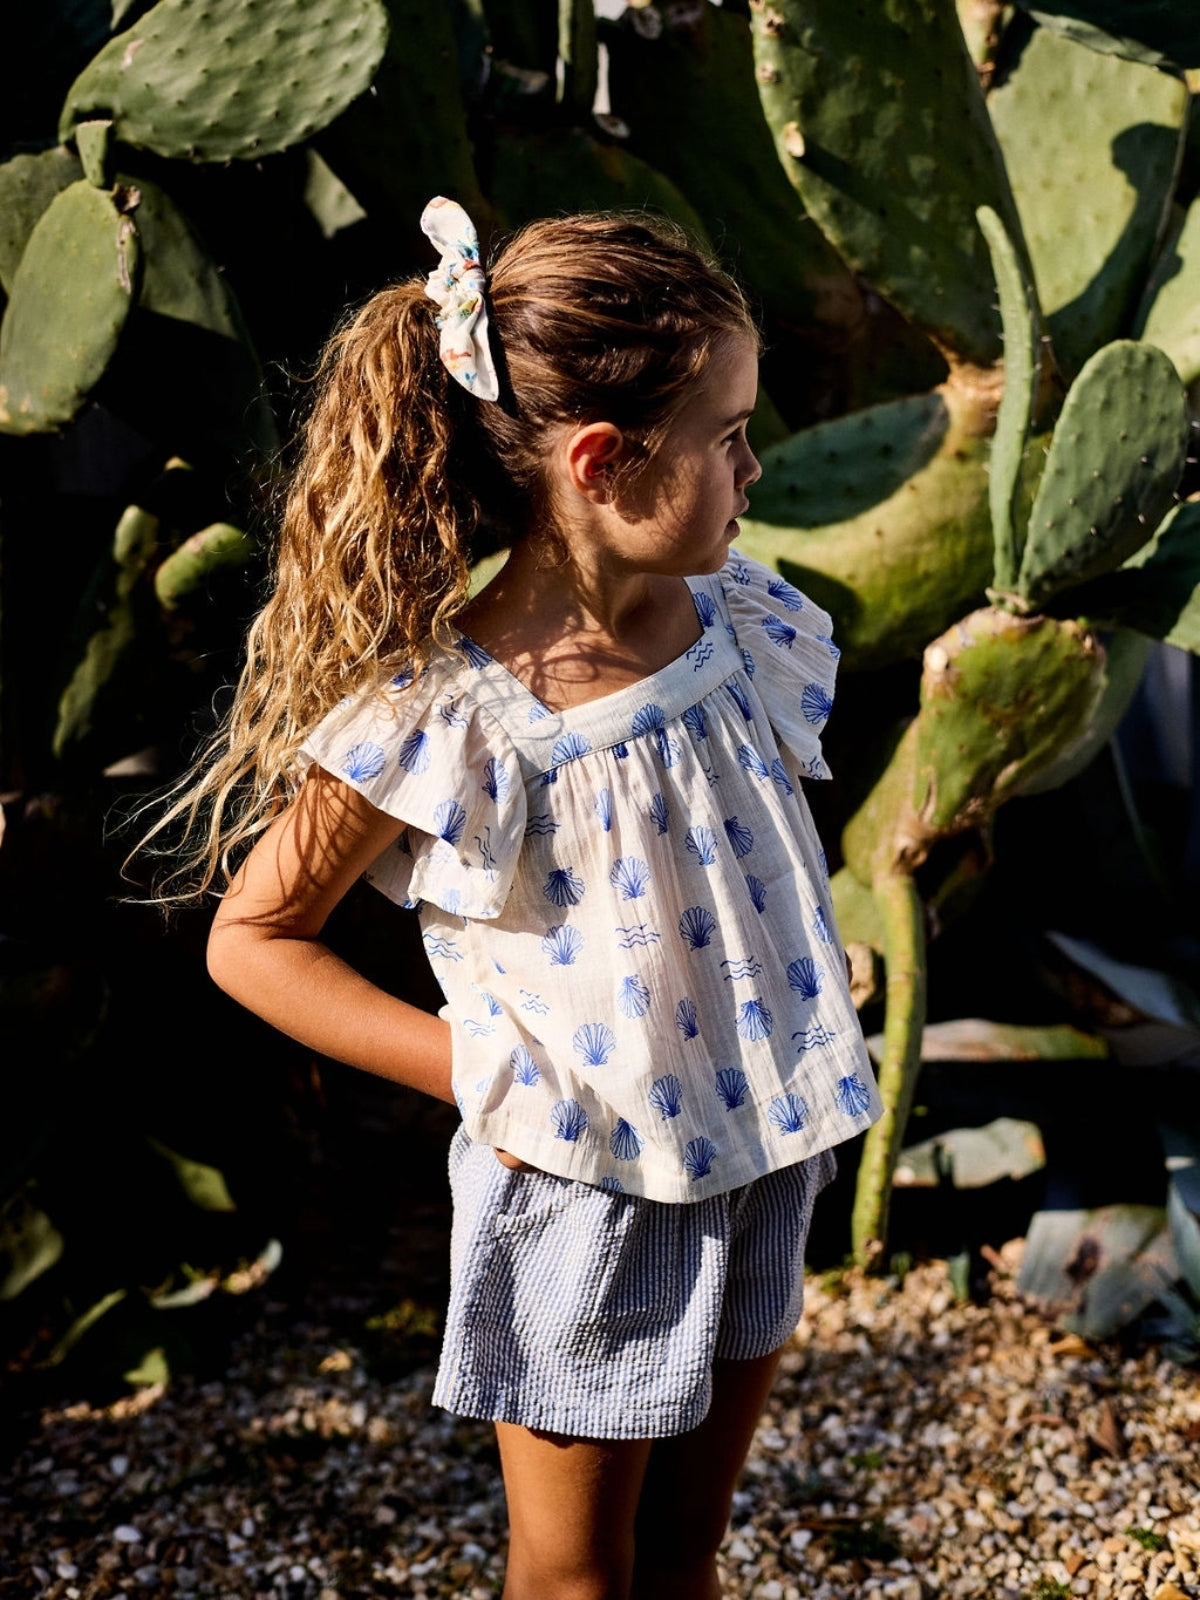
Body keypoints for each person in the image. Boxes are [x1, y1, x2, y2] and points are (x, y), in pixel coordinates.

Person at [160, 198, 883, 1600]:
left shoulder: (745, 621)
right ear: (605, 462)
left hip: (760, 1152)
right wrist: (482, 1074)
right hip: (585, 1203)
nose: (753, 462)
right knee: (573, 1578)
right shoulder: (455, 716)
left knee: (684, 1553)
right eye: (727, 434)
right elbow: (253, 941)